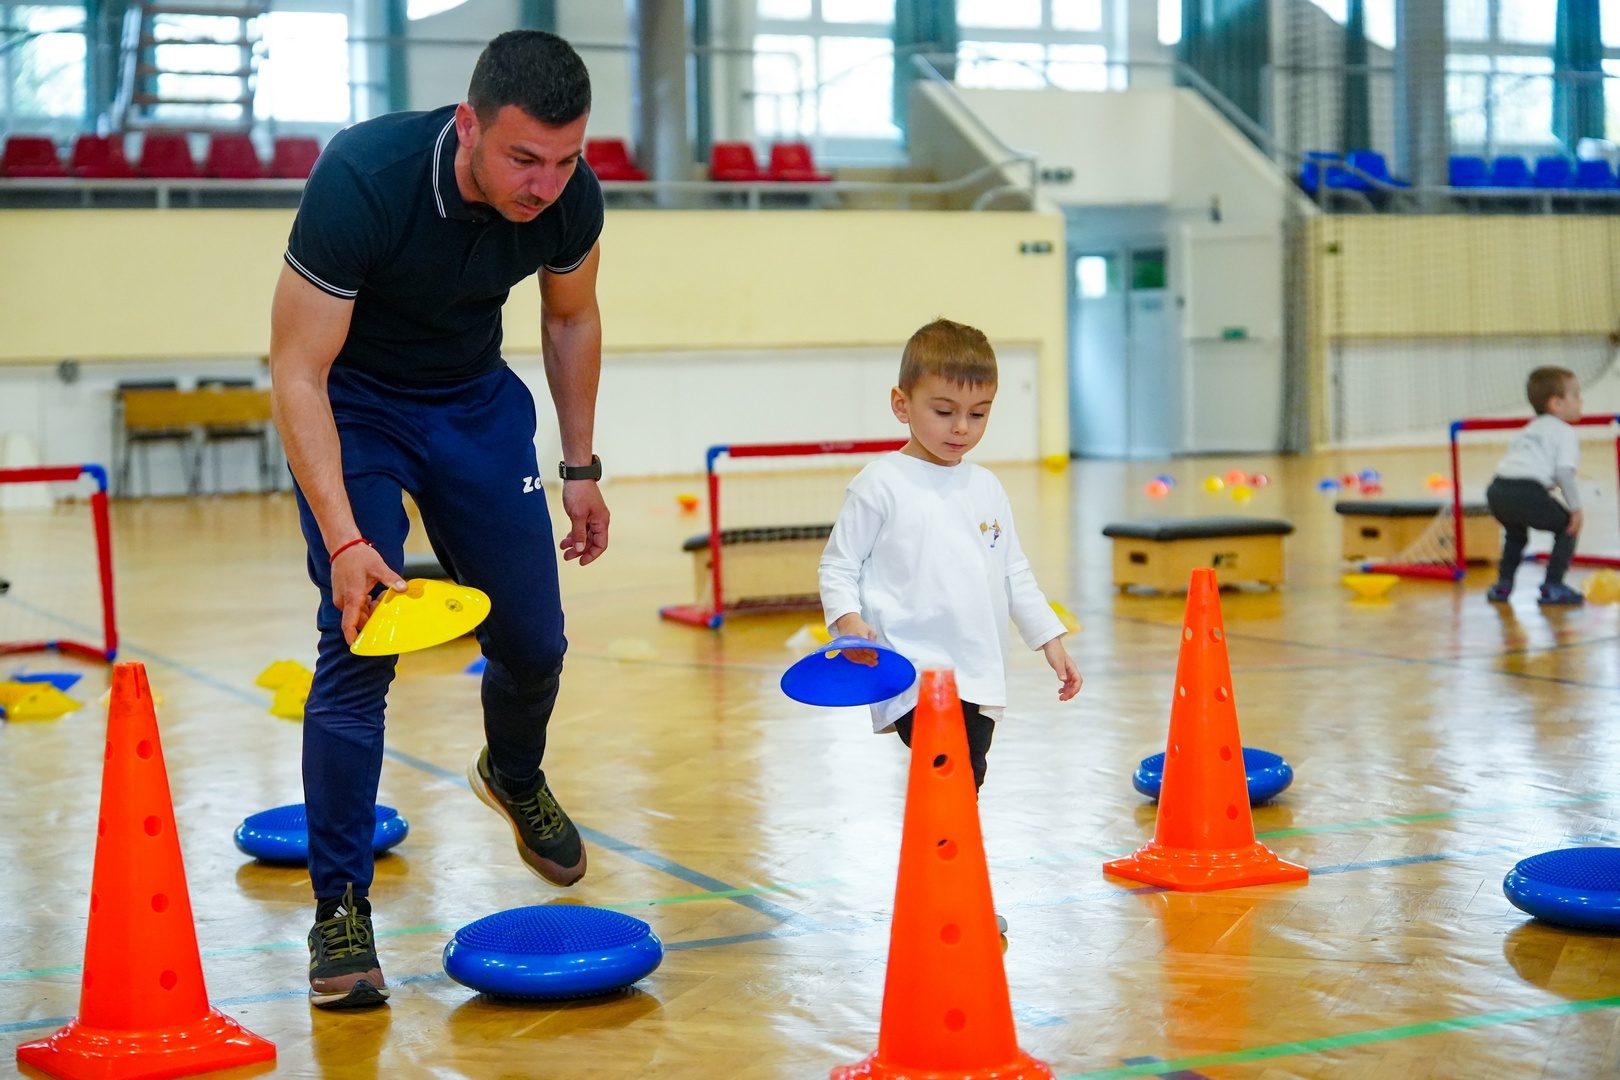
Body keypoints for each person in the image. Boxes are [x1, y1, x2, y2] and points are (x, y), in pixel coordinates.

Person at [269, 30, 609, 1008]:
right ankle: (341, 910)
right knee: (360, 643)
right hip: (355, 404)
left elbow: (570, 316)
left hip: (471, 404)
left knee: (536, 641)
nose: (546, 184)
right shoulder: (364, 178)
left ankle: (513, 771)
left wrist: (580, 466)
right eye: (524, 158)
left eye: (566, 160)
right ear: (468, 125)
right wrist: (347, 540)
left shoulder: (569, 197)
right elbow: (297, 368)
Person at [818, 318, 1083, 800]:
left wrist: (1050, 639)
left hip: (979, 670)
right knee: (948, 775)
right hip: (911, 669)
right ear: (902, 404)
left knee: (966, 781)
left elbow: (1013, 572)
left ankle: (942, 849)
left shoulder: (987, 487)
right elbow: (839, 564)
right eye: (944, 411)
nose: (961, 427)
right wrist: (847, 621)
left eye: (978, 414)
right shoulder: (880, 483)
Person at [1486, 366, 1585, 606]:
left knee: (1515, 534)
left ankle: (1503, 585)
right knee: (1567, 528)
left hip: (1497, 490)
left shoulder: (1529, 430)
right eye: (1575, 395)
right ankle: (1553, 585)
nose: (1581, 401)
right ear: (1556, 403)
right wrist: (1576, 509)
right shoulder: (1565, 432)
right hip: (1526, 490)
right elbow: (1564, 472)